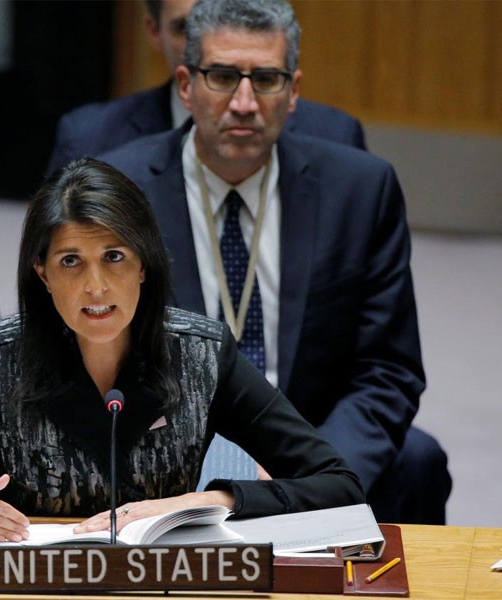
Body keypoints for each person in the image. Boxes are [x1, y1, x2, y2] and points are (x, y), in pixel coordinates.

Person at [0, 158, 363, 539]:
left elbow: (338, 484)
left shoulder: (202, 355)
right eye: (71, 261)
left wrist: (205, 501)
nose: (96, 286)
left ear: (144, 265)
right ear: (43, 274)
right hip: (36, 589)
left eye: (114, 257)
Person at [98, 0, 450, 524]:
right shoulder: (119, 190)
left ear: (294, 93)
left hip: (311, 446)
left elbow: (387, 370)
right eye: (222, 77)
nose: (244, 102)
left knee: (418, 460)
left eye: (266, 79)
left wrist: (316, 477)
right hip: (167, 453)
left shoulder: (359, 190)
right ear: (186, 85)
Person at [45, 0, 365, 175]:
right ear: (154, 32)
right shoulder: (90, 138)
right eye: (186, 27)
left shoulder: (335, 136)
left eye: (223, 19)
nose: (204, 40)